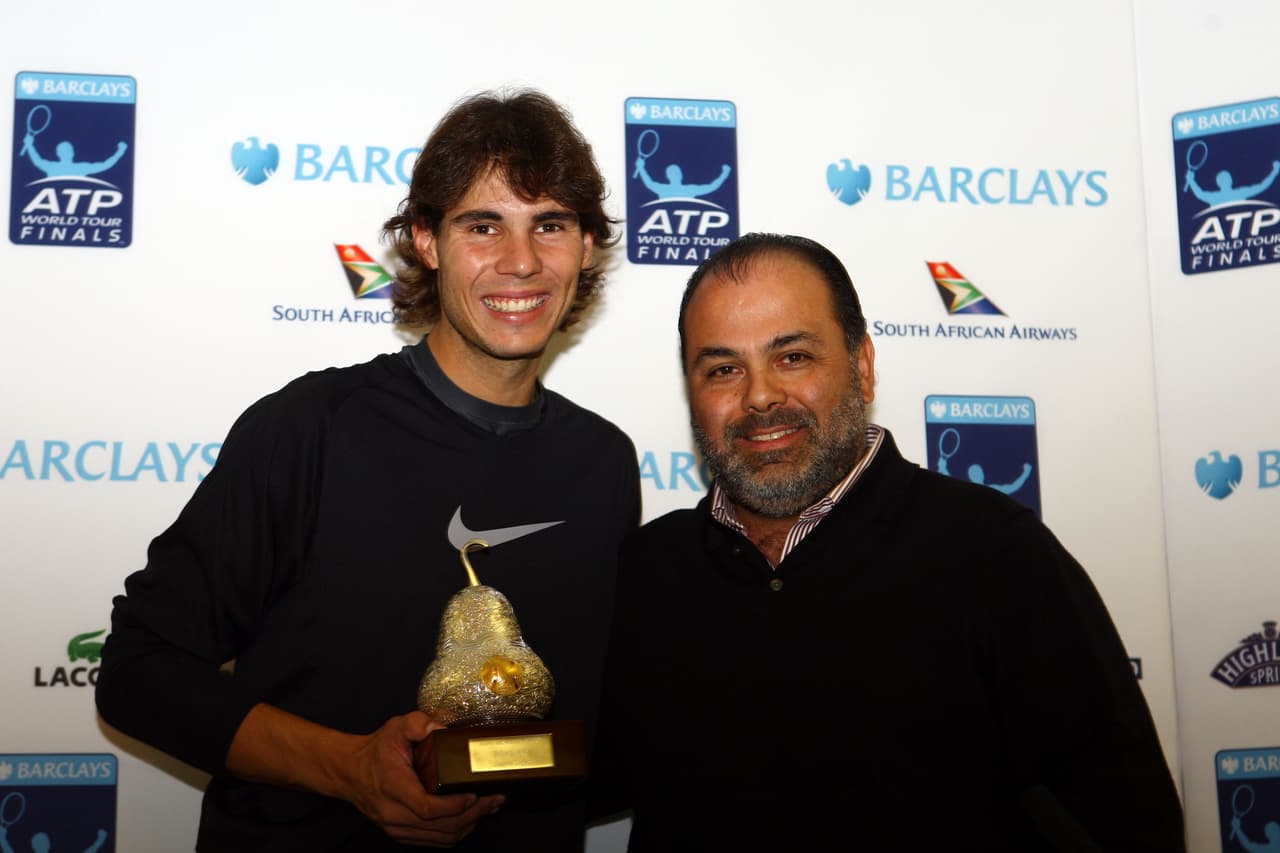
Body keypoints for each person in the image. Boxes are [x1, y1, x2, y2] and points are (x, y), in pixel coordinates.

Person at [96, 89, 640, 852]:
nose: (521, 260)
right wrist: (349, 767)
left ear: (585, 247)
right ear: (426, 240)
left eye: (549, 225)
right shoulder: (308, 428)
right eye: (483, 225)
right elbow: (139, 672)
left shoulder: (604, 462)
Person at [590, 233, 1185, 851]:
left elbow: (1126, 818)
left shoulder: (995, 554)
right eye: (723, 369)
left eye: (792, 357)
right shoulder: (648, 569)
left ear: (863, 365)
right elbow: (574, 773)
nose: (760, 396)